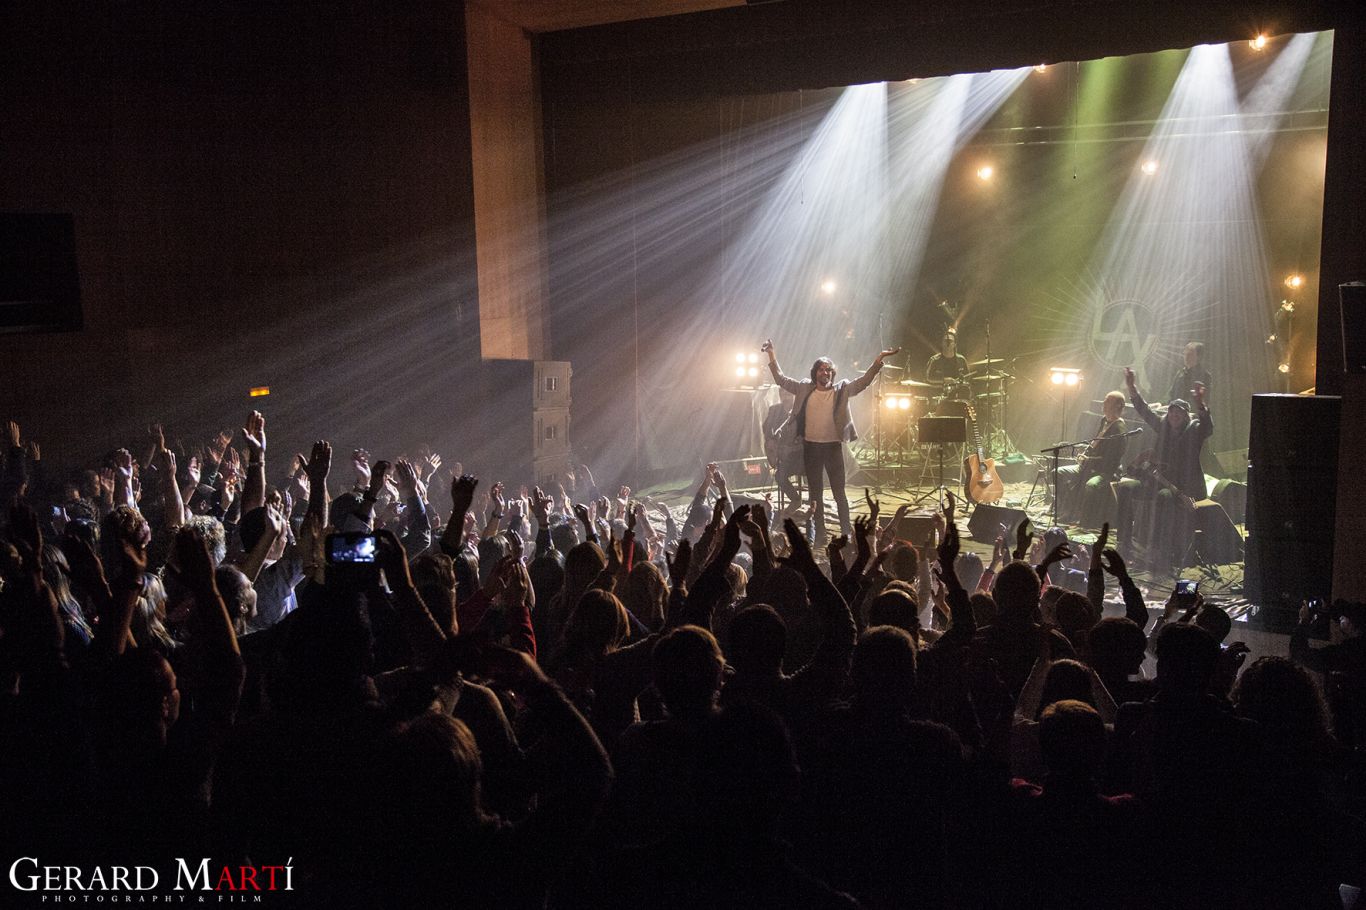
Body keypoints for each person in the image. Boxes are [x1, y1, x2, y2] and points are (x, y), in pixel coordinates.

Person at [762, 338, 899, 541]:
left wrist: (878, 360)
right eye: (821, 369)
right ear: (815, 372)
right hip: (811, 448)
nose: (825, 373)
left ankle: (845, 532)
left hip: (833, 448)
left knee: (839, 493)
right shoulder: (804, 388)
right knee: (815, 494)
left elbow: (863, 382)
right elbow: (781, 380)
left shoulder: (841, 390)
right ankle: (820, 533)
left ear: (832, 374)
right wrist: (771, 355)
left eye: (828, 370)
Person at [1113, 367, 1211, 570]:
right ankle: (1124, 541)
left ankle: (1159, 548)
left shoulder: (1193, 430)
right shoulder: (1163, 426)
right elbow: (1144, 410)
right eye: (1172, 411)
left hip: (1182, 487)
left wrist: (1201, 404)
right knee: (1126, 488)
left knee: (1164, 497)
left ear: (1185, 416)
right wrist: (1131, 386)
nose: (1174, 415)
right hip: (1159, 480)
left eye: (1179, 412)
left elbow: (1207, 427)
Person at [1055, 390, 1127, 527]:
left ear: (1118, 406)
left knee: (1091, 485)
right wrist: (1085, 452)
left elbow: (1111, 459)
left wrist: (1089, 459)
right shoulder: (1104, 421)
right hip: (1089, 466)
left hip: (1106, 471)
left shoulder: (1119, 429)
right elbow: (1097, 445)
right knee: (1058, 473)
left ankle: (1085, 519)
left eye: (1108, 401)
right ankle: (1067, 510)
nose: (1104, 403)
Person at [1166, 341, 1212, 406]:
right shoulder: (1180, 373)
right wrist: (1162, 405)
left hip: (1190, 411)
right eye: (1185, 353)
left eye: (1190, 354)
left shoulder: (1205, 376)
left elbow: (1202, 401)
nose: (1186, 357)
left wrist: (1180, 407)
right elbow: (1171, 394)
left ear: (1198, 356)